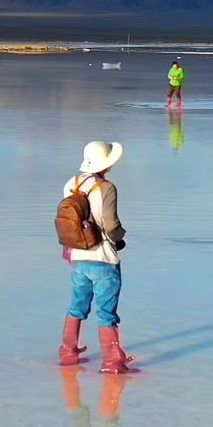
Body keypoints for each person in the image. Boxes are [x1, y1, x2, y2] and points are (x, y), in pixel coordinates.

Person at [60, 140, 135, 373]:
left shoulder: (71, 184)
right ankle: (112, 362)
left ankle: (68, 352)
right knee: (106, 312)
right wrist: (121, 237)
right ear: (107, 164)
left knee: (77, 306)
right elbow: (111, 226)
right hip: (102, 257)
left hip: (78, 256)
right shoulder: (107, 188)